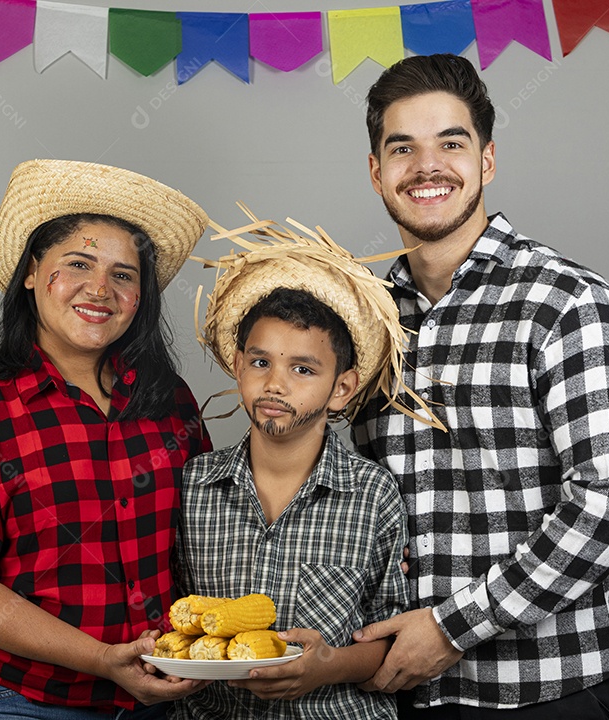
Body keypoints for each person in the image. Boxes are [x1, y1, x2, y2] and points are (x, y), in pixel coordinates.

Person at [350, 54, 609, 719]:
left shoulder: (570, 303)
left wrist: (454, 628)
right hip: (389, 691)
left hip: (542, 691)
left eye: (450, 144)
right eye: (403, 149)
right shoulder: (361, 320)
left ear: (486, 160)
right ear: (377, 172)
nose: (427, 166)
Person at [0, 159, 214, 720]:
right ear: (32, 272)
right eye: (78, 263)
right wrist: (102, 658)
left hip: (158, 699)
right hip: (12, 700)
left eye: (123, 274)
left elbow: (208, 543)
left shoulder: (171, 402)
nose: (100, 289)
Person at [171, 214, 444, 720]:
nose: (275, 384)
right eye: (260, 362)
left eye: (303, 369)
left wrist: (327, 665)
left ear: (341, 387)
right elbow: (176, 621)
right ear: (238, 365)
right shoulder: (193, 486)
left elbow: (389, 638)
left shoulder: (372, 493)